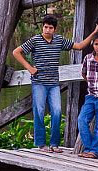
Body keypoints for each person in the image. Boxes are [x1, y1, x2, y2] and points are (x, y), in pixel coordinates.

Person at [12, 14, 71, 151]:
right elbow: (16, 52)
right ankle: (41, 144)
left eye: (50, 28)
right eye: (45, 27)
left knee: (57, 111)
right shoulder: (35, 40)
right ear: (42, 27)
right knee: (38, 111)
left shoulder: (59, 40)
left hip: (54, 83)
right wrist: (29, 68)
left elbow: (78, 46)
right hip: (39, 82)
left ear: (55, 29)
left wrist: (95, 33)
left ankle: (55, 144)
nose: (47, 30)